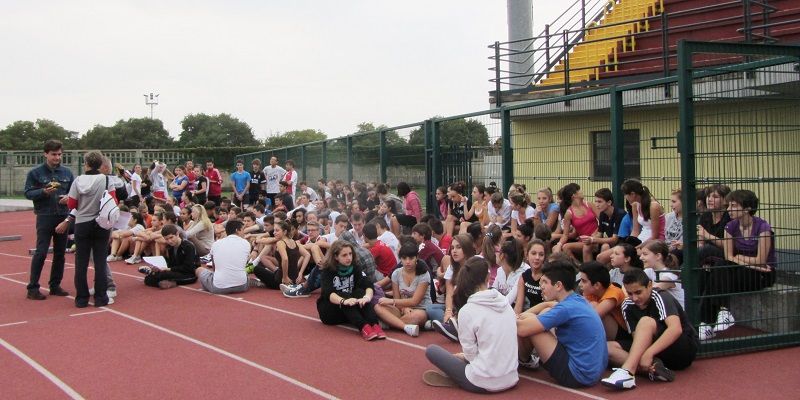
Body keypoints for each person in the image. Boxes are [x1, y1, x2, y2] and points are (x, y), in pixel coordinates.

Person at [423, 256, 518, 393]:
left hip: (482, 382)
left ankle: (458, 378)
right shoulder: (505, 303)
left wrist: (464, 357)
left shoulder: (467, 311)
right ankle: (459, 376)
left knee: (432, 350)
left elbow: (471, 355)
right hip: (512, 378)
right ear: (488, 277)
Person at [516, 259, 607, 388]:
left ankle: (524, 359)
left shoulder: (566, 308)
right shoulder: (577, 299)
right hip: (592, 372)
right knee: (543, 313)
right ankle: (525, 358)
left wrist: (508, 316)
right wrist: (540, 307)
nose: (541, 286)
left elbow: (522, 329)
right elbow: (549, 306)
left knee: (529, 324)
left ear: (558, 286)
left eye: (545, 282)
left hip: (577, 375)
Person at [602, 269, 699, 390]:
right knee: (608, 348)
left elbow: (675, 329)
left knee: (646, 321)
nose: (634, 298)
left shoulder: (661, 296)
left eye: (638, 292)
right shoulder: (627, 305)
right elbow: (637, 339)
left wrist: (649, 353)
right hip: (658, 354)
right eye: (630, 293)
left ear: (649, 285)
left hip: (683, 348)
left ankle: (628, 372)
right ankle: (652, 369)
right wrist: (645, 354)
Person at [699, 189, 776, 340]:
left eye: (733, 206)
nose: (729, 209)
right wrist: (746, 261)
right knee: (717, 268)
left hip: (762, 274)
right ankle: (720, 315)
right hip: (743, 269)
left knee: (717, 273)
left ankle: (707, 322)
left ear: (747, 209)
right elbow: (728, 256)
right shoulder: (731, 226)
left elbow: (761, 260)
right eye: (728, 206)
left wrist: (739, 258)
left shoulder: (762, 227)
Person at [25, 139, 74, 300]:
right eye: (54, 154)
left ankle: (55, 285)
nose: (57, 157)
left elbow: (74, 193)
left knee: (60, 253)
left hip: (62, 216)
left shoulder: (67, 173)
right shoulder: (35, 173)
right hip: (45, 216)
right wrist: (43, 192)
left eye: (59, 154)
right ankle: (33, 287)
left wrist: (68, 198)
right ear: (45, 154)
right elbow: (28, 193)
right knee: (41, 252)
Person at [66, 151, 115, 307]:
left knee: (81, 262)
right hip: (101, 223)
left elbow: (72, 204)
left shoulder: (78, 180)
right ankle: (101, 297)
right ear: (100, 164)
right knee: (100, 261)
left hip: (82, 223)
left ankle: (81, 298)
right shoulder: (106, 180)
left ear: (86, 163)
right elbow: (113, 200)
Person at [316, 240, 385, 341]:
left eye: (350, 254)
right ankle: (363, 327)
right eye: (344, 255)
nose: (349, 257)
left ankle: (374, 324)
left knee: (360, 292)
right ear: (336, 257)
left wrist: (366, 297)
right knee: (344, 295)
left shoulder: (355, 267)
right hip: (330, 311)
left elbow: (368, 284)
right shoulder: (328, 271)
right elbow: (328, 293)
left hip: (350, 309)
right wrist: (344, 301)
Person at [374, 243, 431, 337]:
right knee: (378, 307)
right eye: (404, 258)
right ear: (400, 259)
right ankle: (404, 326)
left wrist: (391, 301)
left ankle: (389, 323)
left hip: (420, 309)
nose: (407, 262)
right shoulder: (396, 273)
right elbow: (397, 299)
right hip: (402, 308)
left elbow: (415, 301)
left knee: (417, 317)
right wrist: (404, 309)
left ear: (417, 257)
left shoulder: (424, 274)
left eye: (411, 258)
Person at [428, 234, 476, 341]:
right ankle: (451, 324)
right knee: (430, 308)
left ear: (467, 248)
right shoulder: (452, 268)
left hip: (472, 306)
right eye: (452, 248)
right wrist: (448, 311)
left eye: (458, 247)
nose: (454, 251)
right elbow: (449, 293)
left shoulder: (476, 264)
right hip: (456, 306)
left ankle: (454, 327)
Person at [196, 220, 251, 294]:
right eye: (242, 230)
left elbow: (214, 267)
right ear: (237, 230)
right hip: (242, 286)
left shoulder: (216, 243)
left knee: (199, 270)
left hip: (219, 287)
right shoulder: (246, 243)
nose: (244, 232)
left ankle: (209, 285)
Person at [138, 224, 199, 289]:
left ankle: (168, 281)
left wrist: (168, 269)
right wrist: (159, 267)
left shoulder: (188, 246)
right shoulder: (170, 247)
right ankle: (165, 281)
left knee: (163, 275)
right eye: (166, 239)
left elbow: (188, 267)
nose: (169, 241)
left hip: (190, 274)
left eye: (171, 237)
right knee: (147, 279)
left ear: (177, 234)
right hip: (177, 272)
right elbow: (171, 264)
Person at [578, 261, 628, 341]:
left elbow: (593, 316)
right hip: (608, 333)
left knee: (592, 306)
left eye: (584, 281)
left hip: (623, 335)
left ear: (597, 285)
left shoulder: (614, 292)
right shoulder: (590, 292)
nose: (579, 284)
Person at [621, 179, 665, 246]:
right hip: (641, 240)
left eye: (625, 194)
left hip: (656, 243)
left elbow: (655, 236)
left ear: (633, 194)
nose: (625, 197)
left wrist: (637, 247)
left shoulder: (653, 207)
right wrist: (629, 244)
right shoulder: (635, 206)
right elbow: (635, 231)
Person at [515, 239, 548, 314]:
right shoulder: (524, 276)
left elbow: (549, 305)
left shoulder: (549, 276)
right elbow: (518, 306)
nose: (537, 257)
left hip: (544, 315)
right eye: (533, 253)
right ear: (527, 255)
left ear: (544, 258)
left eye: (541, 254)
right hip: (528, 315)